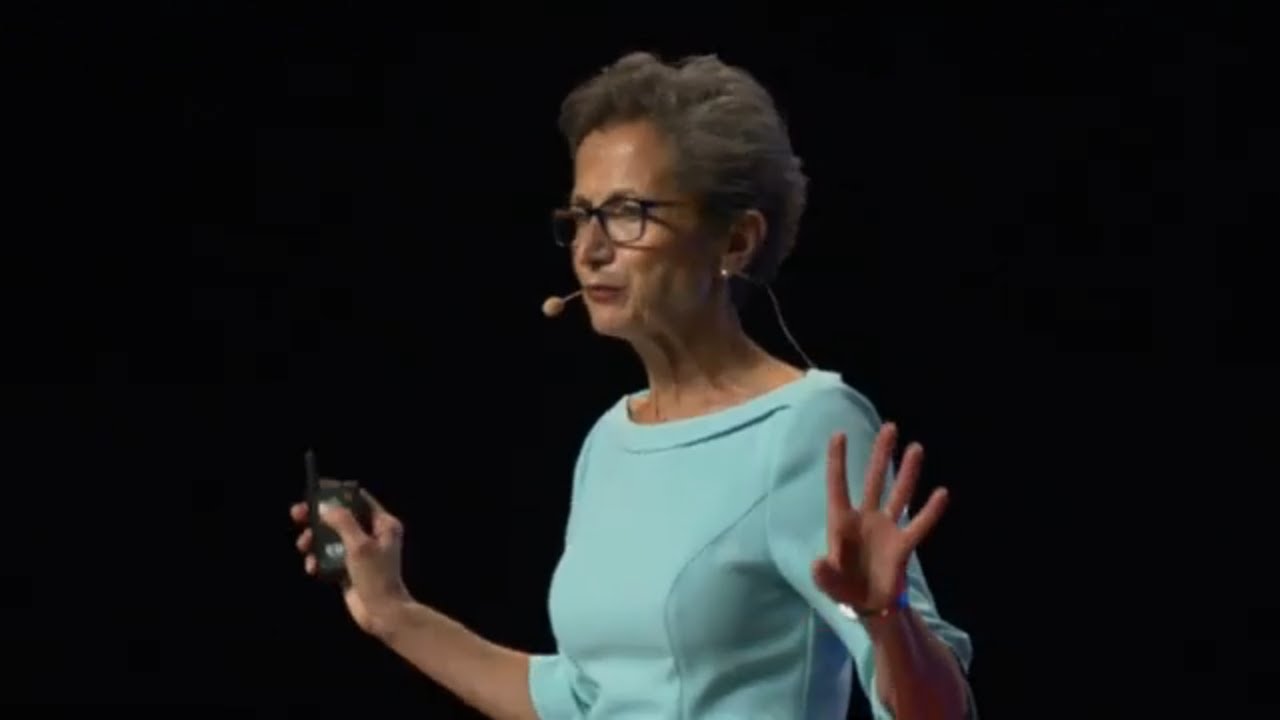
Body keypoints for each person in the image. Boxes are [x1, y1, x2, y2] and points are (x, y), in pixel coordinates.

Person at [290, 52, 975, 719]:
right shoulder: (612, 439)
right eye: (581, 216)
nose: (590, 249)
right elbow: (580, 699)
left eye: (628, 213)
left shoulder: (809, 426)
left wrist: (889, 621)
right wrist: (392, 612)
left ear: (736, 241)